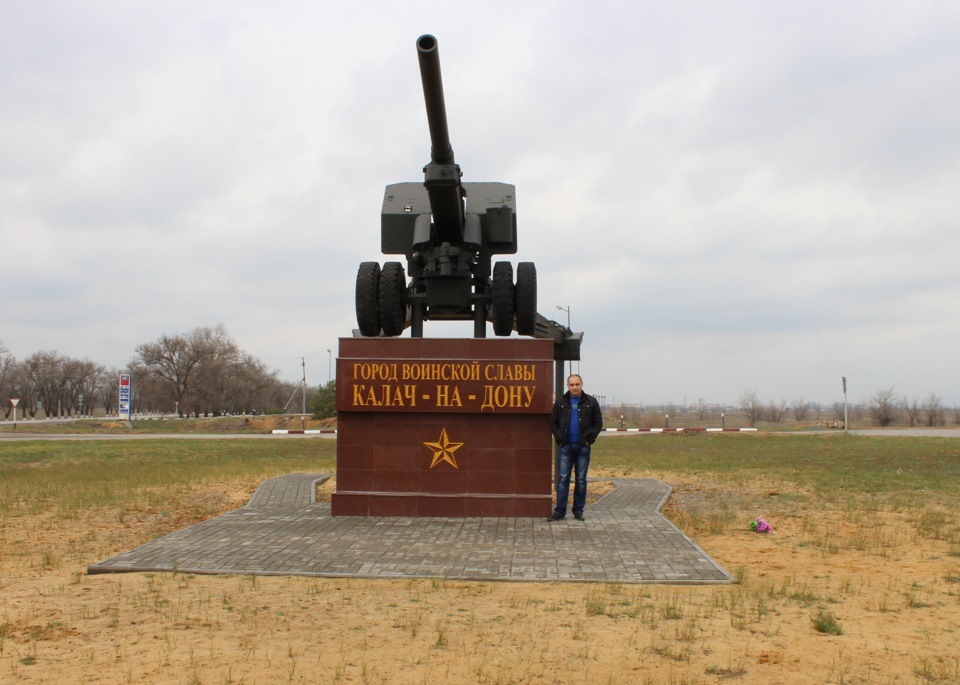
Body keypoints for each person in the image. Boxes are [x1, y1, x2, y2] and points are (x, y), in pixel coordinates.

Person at [548, 374, 603, 521]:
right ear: (568, 386)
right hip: (565, 446)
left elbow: (598, 423)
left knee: (581, 480)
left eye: (577, 384)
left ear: (582, 384)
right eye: (572, 385)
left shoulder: (590, 402)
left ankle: (578, 511)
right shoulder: (561, 402)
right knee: (563, 479)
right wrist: (559, 438)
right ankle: (560, 511)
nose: (574, 387)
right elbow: (553, 422)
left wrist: (590, 439)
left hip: (583, 447)